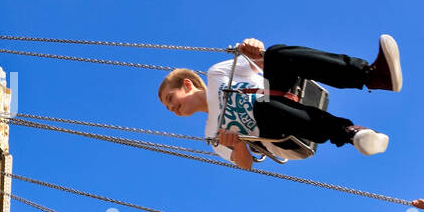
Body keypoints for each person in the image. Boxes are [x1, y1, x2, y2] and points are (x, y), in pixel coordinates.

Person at [157, 36, 402, 170]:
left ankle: (371, 75)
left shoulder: (217, 74)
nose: (173, 109)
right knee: (262, 108)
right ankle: (349, 133)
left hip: (277, 93)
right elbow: (245, 164)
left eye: (171, 99)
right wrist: (239, 145)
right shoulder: (212, 133)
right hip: (279, 134)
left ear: (188, 85)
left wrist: (256, 50)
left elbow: (261, 64)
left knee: (276, 53)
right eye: (169, 109)